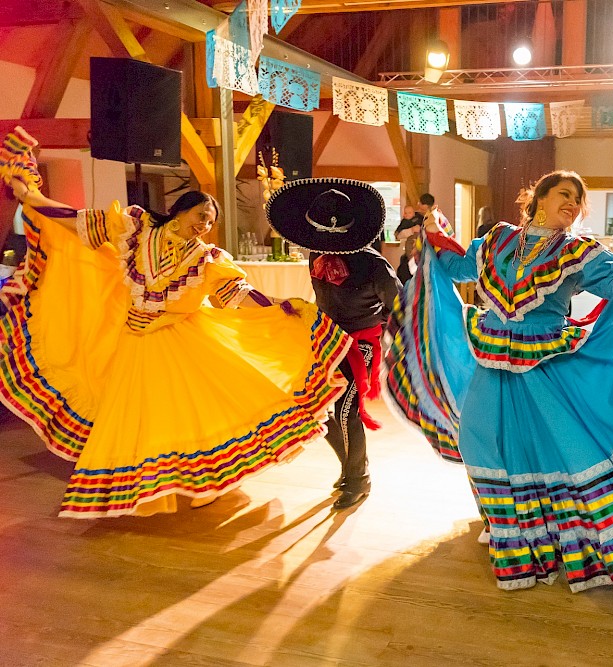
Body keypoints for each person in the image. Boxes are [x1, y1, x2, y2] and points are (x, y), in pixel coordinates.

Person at [384, 169, 613, 600]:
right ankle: (510, 529)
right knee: (480, 441)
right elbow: (459, 265)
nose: (573, 204)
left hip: (545, 364)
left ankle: (562, 538)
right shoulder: (499, 239)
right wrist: (436, 232)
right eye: (565, 194)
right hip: (492, 356)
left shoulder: (578, 251)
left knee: (552, 452)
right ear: (538, 197)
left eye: (579, 200)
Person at [0, 128, 351, 518]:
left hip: (181, 338)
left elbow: (237, 292)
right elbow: (79, 223)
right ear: (182, 210)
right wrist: (33, 199)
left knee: (187, 412)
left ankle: (200, 484)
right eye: (202, 215)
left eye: (210, 220)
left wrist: (281, 305)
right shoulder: (136, 229)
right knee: (143, 415)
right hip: (134, 339)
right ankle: (153, 490)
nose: (205, 224)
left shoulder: (208, 258)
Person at [266, 178, 402, 510]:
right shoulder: (317, 253)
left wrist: (396, 344)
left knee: (345, 411)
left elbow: (399, 304)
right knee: (319, 411)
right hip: (324, 338)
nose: (325, 243)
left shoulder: (373, 264)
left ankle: (358, 478)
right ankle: (353, 468)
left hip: (360, 343)